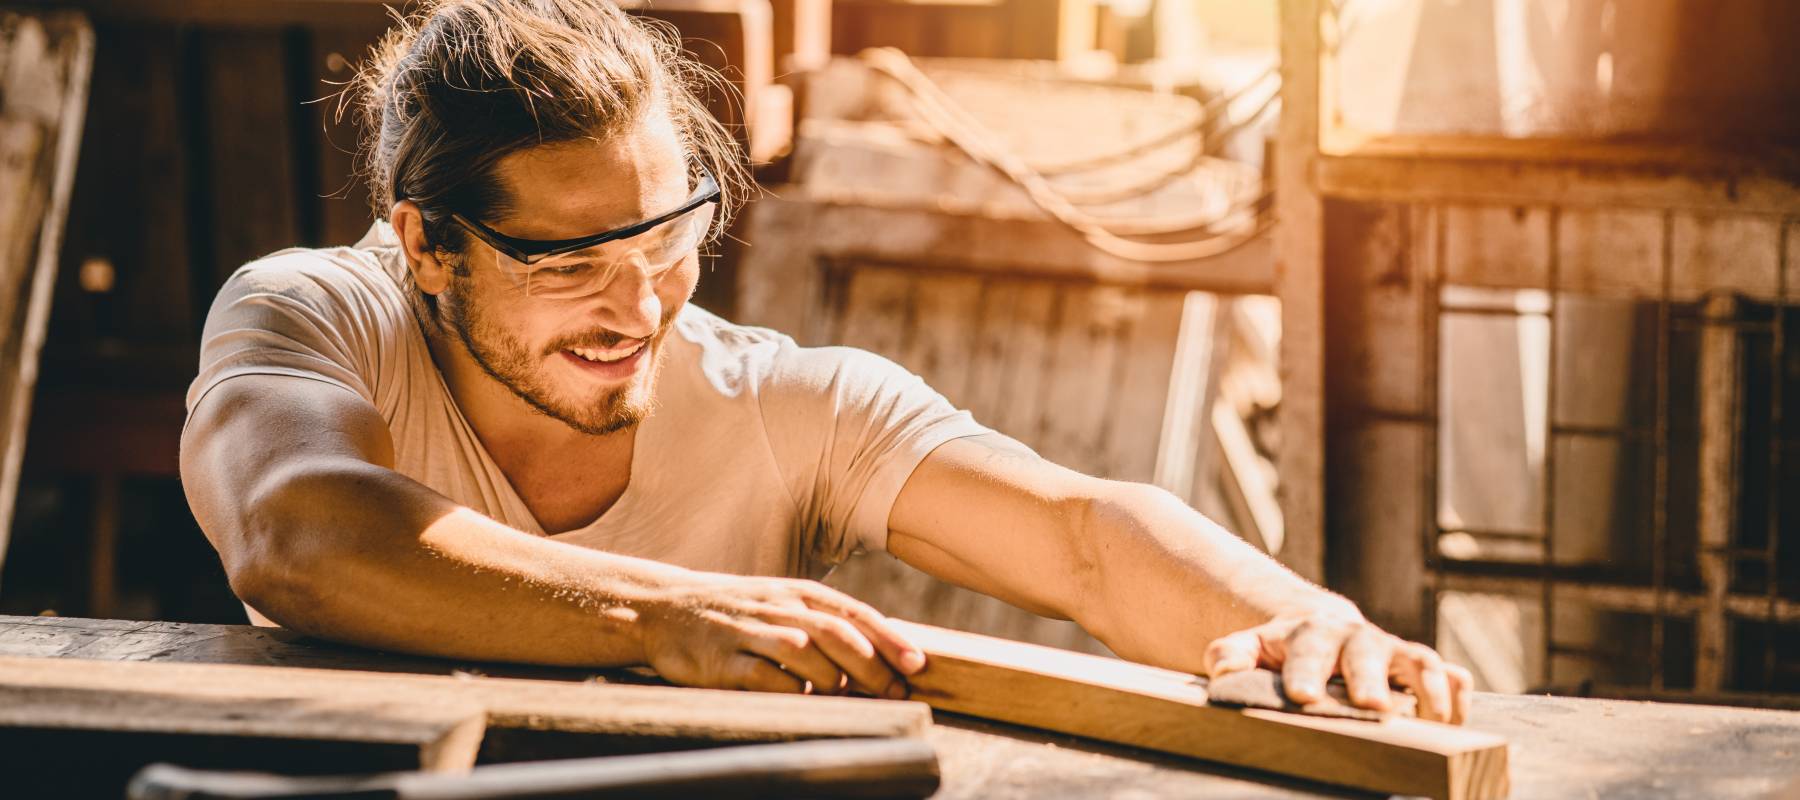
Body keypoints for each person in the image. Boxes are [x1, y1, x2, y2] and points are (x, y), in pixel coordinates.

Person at [179, 0, 1471, 722]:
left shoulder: (781, 405)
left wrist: (1303, 622)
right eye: (567, 263)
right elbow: (301, 533)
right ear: (428, 243)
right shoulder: (313, 316)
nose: (640, 307)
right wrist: (658, 618)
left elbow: (1083, 535)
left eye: (669, 237)